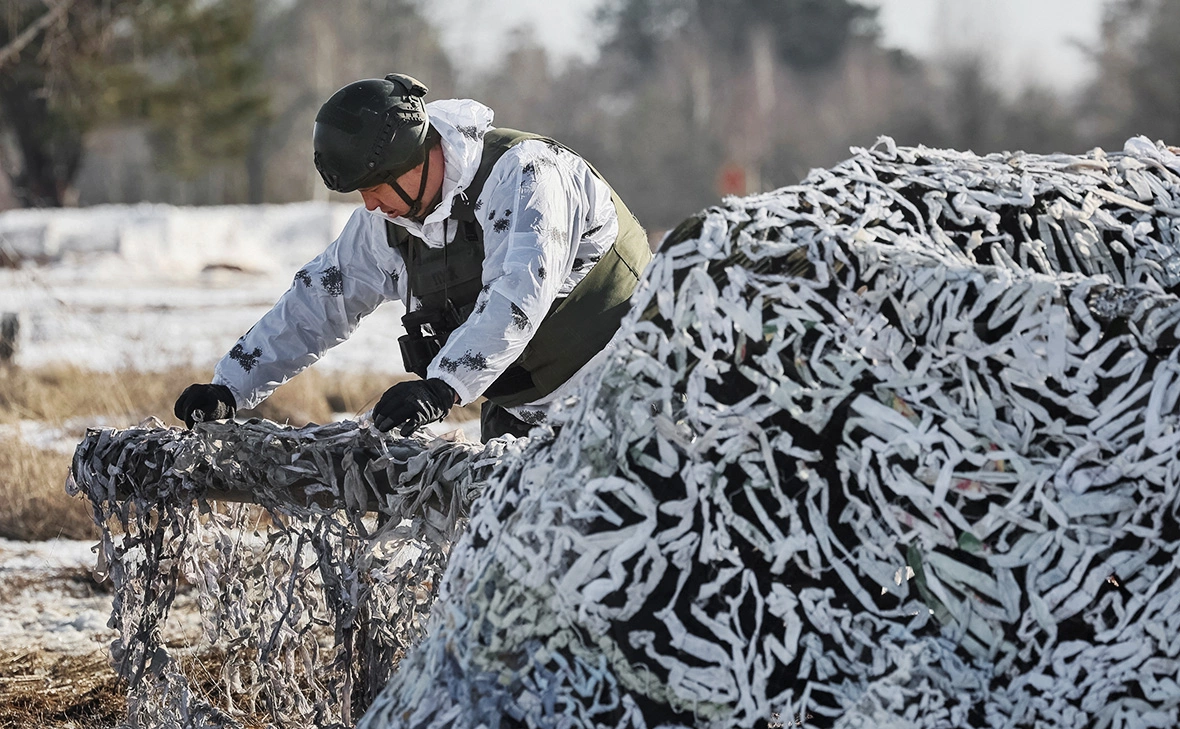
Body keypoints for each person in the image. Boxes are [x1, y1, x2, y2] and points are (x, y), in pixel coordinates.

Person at [174, 73, 651, 442]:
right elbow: (318, 301)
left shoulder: (527, 176)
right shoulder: (391, 219)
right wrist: (230, 387)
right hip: (524, 417)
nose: (370, 204)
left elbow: (517, 293)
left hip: (635, 398)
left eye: (375, 188)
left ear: (415, 161)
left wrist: (442, 386)